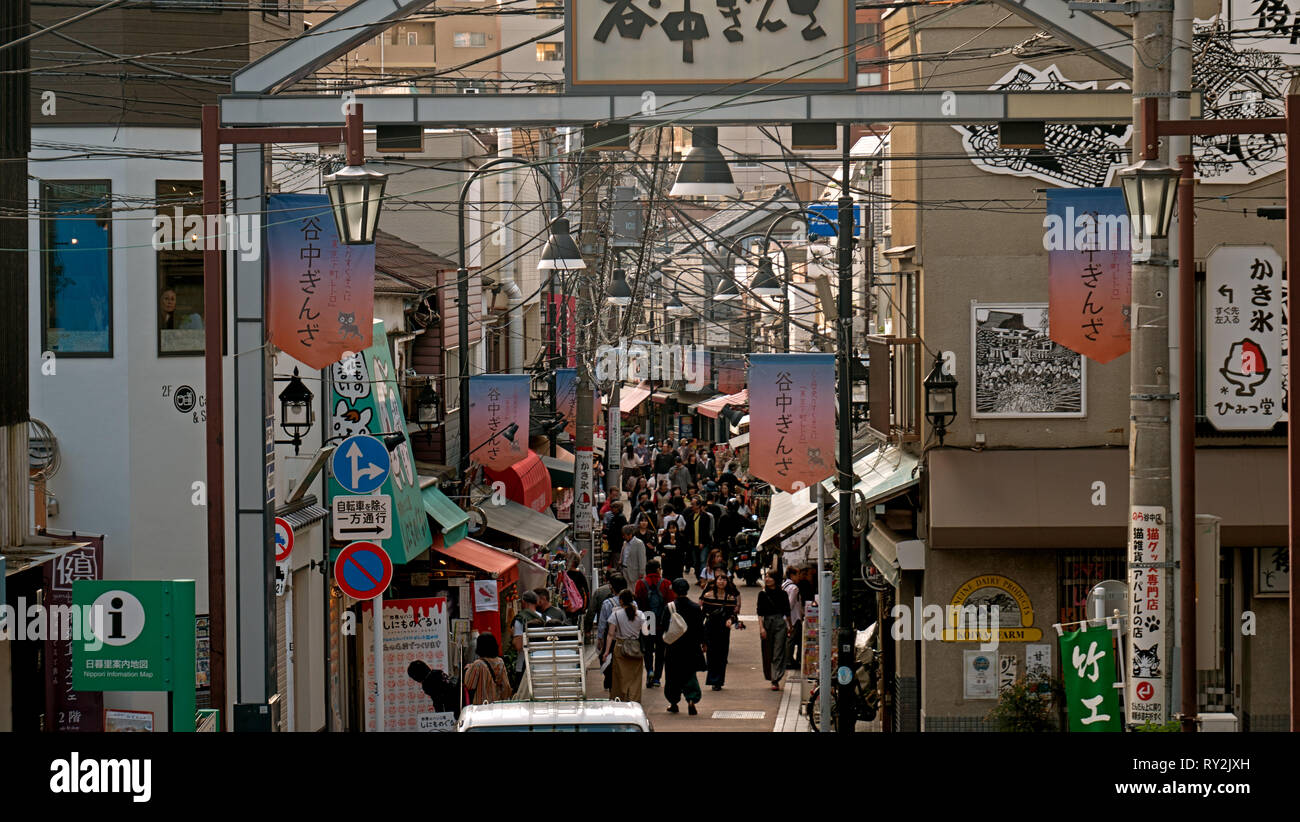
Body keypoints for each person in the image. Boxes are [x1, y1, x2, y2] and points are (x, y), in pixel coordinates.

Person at [662, 577, 706, 715]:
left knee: (672, 675)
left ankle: (673, 702)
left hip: (673, 647)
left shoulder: (669, 607)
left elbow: (663, 625)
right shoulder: (695, 607)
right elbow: (700, 627)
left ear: (674, 592)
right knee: (689, 674)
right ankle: (692, 699)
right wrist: (704, 642)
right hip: (691, 646)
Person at [634, 559, 675, 688]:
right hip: (662, 622)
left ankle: (649, 671)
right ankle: (657, 677)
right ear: (658, 570)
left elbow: (638, 602)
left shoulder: (640, 583)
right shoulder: (666, 583)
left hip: (647, 620)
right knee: (660, 650)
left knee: (648, 648)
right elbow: (671, 602)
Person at [700, 571, 741, 690]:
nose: (721, 581)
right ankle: (713, 680)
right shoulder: (708, 596)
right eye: (719, 579)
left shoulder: (730, 598)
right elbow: (703, 614)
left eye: (724, 579)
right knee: (711, 654)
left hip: (723, 629)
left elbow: (734, 615)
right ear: (715, 581)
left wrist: (730, 620)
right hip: (710, 627)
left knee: (722, 655)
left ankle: (719, 681)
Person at [603, 590, 645, 704]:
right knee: (635, 678)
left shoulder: (615, 614)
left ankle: (620, 700)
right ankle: (634, 701)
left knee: (620, 677)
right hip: (636, 648)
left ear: (620, 601)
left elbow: (610, 635)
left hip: (620, 647)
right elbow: (646, 632)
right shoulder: (640, 614)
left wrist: (606, 652)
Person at [756, 571, 792, 690]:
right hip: (767, 623)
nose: (767, 579)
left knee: (778, 650)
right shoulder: (762, 594)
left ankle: (775, 679)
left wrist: (790, 626)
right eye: (766, 577)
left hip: (780, 623)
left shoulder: (783, 594)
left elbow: (787, 612)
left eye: (770, 577)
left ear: (776, 579)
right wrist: (761, 628)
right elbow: (760, 613)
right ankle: (770, 674)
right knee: (768, 651)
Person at [594, 573, 629, 691]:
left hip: (611, 637)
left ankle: (609, 679)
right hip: (627, 637)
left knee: (606, 658)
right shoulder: (633, 603)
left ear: (612, 588)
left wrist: (600, 638)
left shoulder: (607, 603)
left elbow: (602, 623)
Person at [462, 633, 513, 705]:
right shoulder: (500, 662)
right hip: (497, 705)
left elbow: (469, 685)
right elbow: (506, 686)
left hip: (482, 706)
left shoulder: (478, 664)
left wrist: (468, 670)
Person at [510, 590, 545, 689]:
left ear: (524, 602)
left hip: (524, 664)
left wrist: (513, 637)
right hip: (541, 662)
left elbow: (518, 646)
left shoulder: (520, 619)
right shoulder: (544, 618)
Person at [686, 496, 715, 577]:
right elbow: (688, 529)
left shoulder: (705, 516)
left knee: (703, 560)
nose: (691, 506)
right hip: (693, 542)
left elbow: (706, 531)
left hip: (704, 543)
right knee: (695, 561)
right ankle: (698, 577)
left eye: (693, 504)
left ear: (698, 505)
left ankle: (703, 577)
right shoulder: (690, 516)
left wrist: (702, 542)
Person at [783, 565, 805, 670]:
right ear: (792, 575)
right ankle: (789, 661)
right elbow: (790, 604)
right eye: (798, 574)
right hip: (794, 618)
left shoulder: (784, 585)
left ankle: (792, 660)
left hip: (789, 617)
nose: (799, 577)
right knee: (792, 639)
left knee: (793, 639)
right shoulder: (794, 588)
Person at [620, 523, 647, 588]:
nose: (623, 537)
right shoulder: (625, 543)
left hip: (634, 572)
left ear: (630, 535)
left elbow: (642, 559)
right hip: (625, 570)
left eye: (625, 535)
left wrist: (641, 572)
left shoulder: (639, 543)